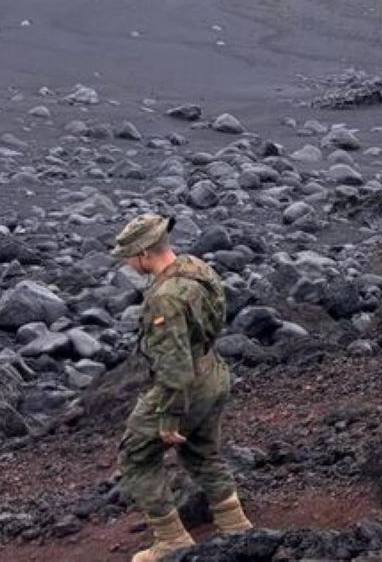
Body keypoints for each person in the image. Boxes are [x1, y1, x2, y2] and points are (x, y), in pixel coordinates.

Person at [111, 213, 254, 562]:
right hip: (213, 371)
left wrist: (168, 418)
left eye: (129, 256)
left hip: (186, 385)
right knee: (201, 451)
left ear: (144, 253)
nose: (128, 263)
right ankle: (235, 525)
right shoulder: (196, 268)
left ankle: (171, 539)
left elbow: (173, 365)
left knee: (136, 456)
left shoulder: (165, 298)